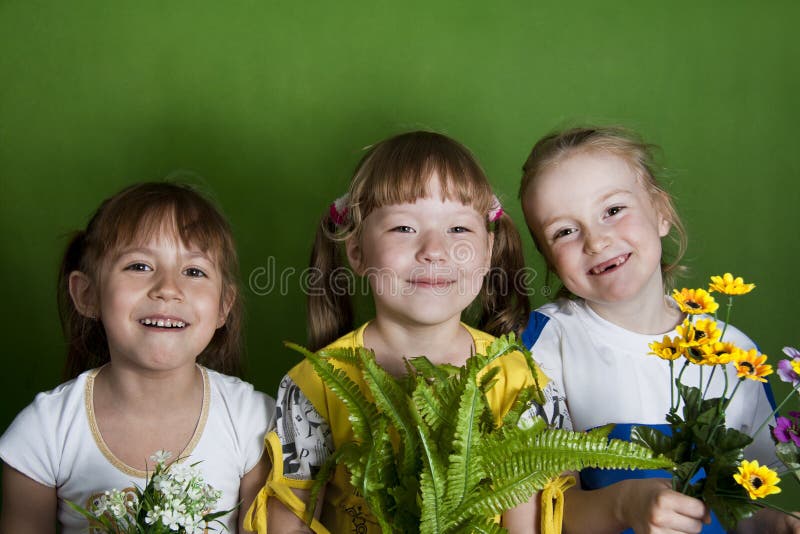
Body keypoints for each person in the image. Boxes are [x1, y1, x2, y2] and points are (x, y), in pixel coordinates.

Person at [245, 131, 568, 534]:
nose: (434, 249)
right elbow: (288, 521)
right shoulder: (312, 385)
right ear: (358, 253)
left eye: (458, 230)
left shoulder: (521, 382)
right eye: (403, 228)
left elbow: (529, 525)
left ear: (487, 254)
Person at [518, 125, 799, 533]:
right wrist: (622, 505)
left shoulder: (734, 354)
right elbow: (543, 515)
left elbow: (740, 511)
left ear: (662, 212)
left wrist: (777, 525)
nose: (596, 241)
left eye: (613, 210)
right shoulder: (544, 345)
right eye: (564, 231)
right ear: (548, 258)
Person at [0, 182, 276, 534]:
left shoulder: (254, 423)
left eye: (194, 271)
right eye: (139, 266)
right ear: (87, 294)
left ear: (224, 306)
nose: (168, 288)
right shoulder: (42, 433)